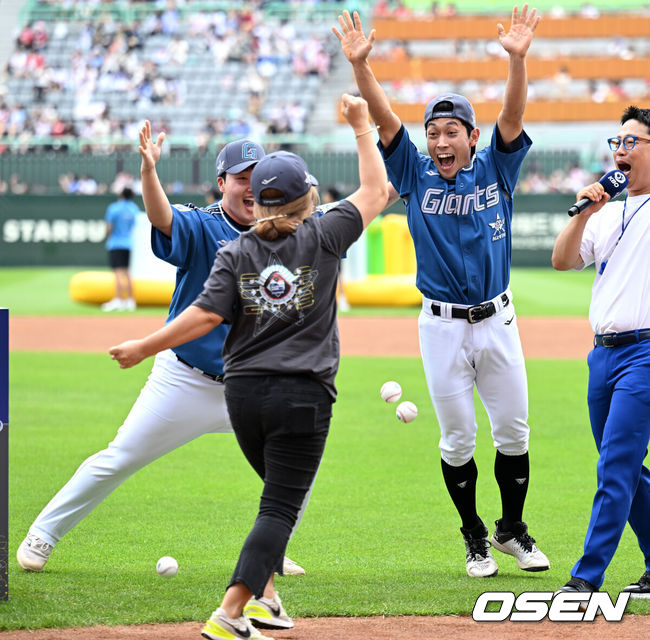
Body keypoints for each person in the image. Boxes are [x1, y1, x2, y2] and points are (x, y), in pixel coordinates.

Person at [109, 94, 388, 640]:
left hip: (242, 397)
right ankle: (231, 610)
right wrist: (361, 127)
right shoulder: (325, 234)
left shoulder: (234, 251)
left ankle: (268, 602)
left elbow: (203, 315)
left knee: (274, 501)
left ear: (256, 202)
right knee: (281, 507)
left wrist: (146, 345)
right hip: (301, 396)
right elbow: (377, 190)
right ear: (309, 197)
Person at [16, 130, 305, 579]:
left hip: (253, 385)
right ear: (221, 182)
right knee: (120, 456)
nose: (250, 186)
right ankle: (43, 533)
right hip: (185, 380)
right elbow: (164, 217)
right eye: (240, 177)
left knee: (295, 463)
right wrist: (150, 170)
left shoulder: (288, 229)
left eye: (258, 175)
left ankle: (271, 549)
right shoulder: (205, 225)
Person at [333, 5, 550, 578]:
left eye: (451, 131)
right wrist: (363, 67)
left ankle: (511, 529)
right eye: (433, 132)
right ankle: (475, 535)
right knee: (458, 439)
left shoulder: (496, 170)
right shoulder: (413, 173)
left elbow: (514, 111)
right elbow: (383, 120)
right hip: (441, 324)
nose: (440, 141)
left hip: (498, 319)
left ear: (472, 137)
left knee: (514, 432)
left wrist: (517, 60)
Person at [551, 105, 650, 598]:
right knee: (625, 468)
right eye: (617, 142)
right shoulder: (607, 210)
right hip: (603, 355)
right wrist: (585, 211)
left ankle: (586, 578)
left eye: (631, 142)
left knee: (615, 465)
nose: (619, 150)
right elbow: (562, 260)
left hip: (646, 355)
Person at [101, 186, 139, 312]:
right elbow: (134, 225)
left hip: (116, 243)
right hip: (128, 243)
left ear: (121, 195)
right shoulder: (134, 208)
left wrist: (106, 236)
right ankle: (130, 300)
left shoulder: (114, 208)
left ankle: (118, 299)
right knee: (127, 272)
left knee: (117, 273)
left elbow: (109, 227)